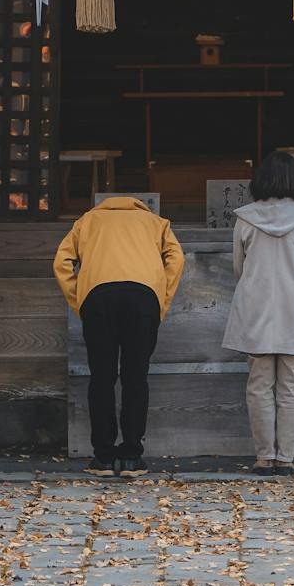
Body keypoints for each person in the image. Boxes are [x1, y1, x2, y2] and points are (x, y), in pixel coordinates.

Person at [54, 191, 185, 470]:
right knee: (135, 376)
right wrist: (161, 300)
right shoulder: (156, 222)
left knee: (102, 377)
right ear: (139, 205)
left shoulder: (87, 221)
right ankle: (131, 455)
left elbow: (61, 262)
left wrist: (79, 301)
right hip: (143, 298)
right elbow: (176, 259)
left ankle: (103, 455)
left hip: (98, 298)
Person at [222, 150, 294, 474]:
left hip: (256, 307)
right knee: (293, 385)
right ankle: (286, 458)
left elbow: (239, 268)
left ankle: (264, 457)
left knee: (259, 383)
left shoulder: (245, 218)